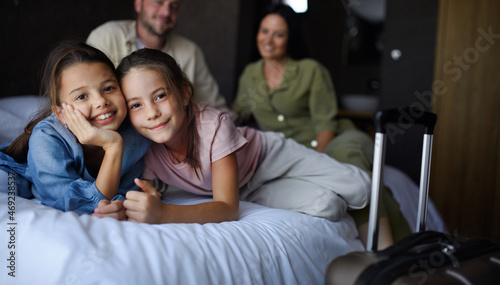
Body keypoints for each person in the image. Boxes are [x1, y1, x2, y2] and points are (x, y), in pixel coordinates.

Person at [100, 48, 371, 224]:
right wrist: (121, 207)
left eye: (160, 96)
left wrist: (164, 214)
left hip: (268, 158)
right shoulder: (145, 145)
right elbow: (134, 195)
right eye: (136, 105)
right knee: (329, 206)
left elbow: (227, 209)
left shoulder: (214, 124)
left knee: (361, 189)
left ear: (183, 94)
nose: (151, 113)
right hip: (245, 188)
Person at [232, 4, 411, 248]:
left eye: (278, 34)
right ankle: (401, 250)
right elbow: (237, 114)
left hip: (337, 138)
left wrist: (318, 165)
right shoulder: (250, 75)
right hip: (288, 152)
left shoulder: (310, 70)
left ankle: (386, 251)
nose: (269, 40)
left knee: (347, 165)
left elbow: (326, 124)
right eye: (264, 31)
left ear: (290, 38)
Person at [0, 41, 151, 218]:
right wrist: (113, 145)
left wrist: (122, 205)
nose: (100, 101)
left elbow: (124, 193)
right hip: (15, 176)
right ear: (60, 113)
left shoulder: (136, 133)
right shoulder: (46, 138)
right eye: (82, 96)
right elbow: (72, 204)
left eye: (109, 88)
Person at [86, 0, 231, 114]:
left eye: (174, 6)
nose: (166, 12)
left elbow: (214, 105)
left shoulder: (190, 51)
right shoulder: (106, 36)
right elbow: (86, 95)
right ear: (138, 4)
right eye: (158, 1)